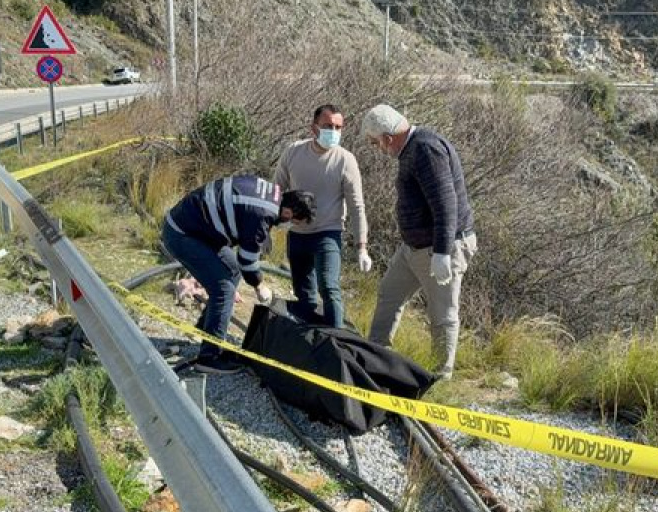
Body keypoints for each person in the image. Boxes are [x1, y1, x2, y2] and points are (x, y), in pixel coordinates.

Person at [360, 104, 477, 380]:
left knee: (442, 314)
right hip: (413, 248)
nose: (378, 149)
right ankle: (375, 354)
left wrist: (442, 252)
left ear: (388, 138)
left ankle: (440, 377)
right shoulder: (411, 149)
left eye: (376, 143)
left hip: (439, 247)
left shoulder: (425, 149)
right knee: (390, 293)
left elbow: (445, 203)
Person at [162, 175, 316, 374]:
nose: (290, 226)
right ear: (288, 212)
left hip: (198, 229)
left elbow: (243, 253)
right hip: (182, 234)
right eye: (294, 222)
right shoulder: (262, 215)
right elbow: (247, 262)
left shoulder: (272, 193)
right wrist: (259, 286)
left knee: (232, 271)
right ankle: (209, 358)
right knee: (224, 289)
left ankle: (206, 329)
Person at [273, 104, 371, 327]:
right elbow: (276, 190)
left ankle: (337, 339)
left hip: (328, 233)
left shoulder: (346, 160)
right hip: (296, 234)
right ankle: (309, 339)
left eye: (338, 127)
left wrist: (362, 247)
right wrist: (276, 220)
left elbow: (356, 205)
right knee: (303, 292)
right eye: (328, 126)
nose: (333, 131)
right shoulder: (293, 152)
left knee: (329, 287)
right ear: (314, 128)